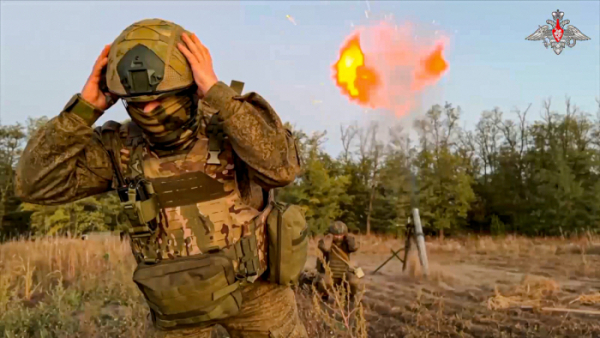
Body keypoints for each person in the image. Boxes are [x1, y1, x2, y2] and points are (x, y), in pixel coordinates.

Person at [15, 18, 307, 338]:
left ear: (190, 87)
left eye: (161, 97)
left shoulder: (231, 124)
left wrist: (219, 95)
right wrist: (84, 109)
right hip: (177, 304)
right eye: (138, 103)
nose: (150, 110)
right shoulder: (118, 148)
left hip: (256, 293)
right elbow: (33, 185)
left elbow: (281, 170)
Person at [316, 221, 362, 298]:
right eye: (336, 235)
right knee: (324, 282)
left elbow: (354, 248)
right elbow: (324, 247)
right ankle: (324, 296)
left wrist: (349, 238)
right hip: (329, 273)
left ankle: (350, 297)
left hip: (344, 273)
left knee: (354, 281)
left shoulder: (347, 243)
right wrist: (329, 238)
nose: (338, 237)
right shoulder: (326, 242)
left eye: (340, 235)